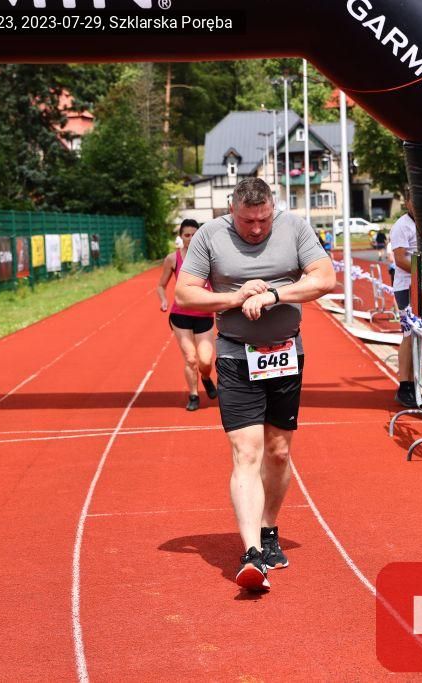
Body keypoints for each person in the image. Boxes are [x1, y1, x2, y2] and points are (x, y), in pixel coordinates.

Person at [175, 177, 335, 592]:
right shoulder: (210, 236)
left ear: (272, 208)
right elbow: (186, 294)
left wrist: (273, 296)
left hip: (285, 353)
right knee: (246, 452)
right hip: (235, 354)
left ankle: (268, 530)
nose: (257, 229)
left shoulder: (294, 228)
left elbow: (324, 279)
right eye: (248, 221)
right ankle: (251, 552)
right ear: (233, 211)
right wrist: (235, 297)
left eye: (264, 219)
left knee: (278, 452)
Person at [157, 219, 218, 411]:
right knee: (191, 358)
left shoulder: (210, 257)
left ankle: (206, 377)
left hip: (204, 314)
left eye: (194, 234)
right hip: (180, 315)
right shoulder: (172, 259)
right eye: (187, 235)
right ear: (180, 237)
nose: (191, 238)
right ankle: (193, 395)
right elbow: (161, 285)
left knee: (205, 361)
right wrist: (164, 300)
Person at [390, 185, 421, 408]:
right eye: (414, 202)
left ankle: (414, 385)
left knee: (421, 337)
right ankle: (404, 386)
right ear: (407, 202)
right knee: (409, 335)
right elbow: (400, 259)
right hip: (406, 288)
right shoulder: (402, 226)